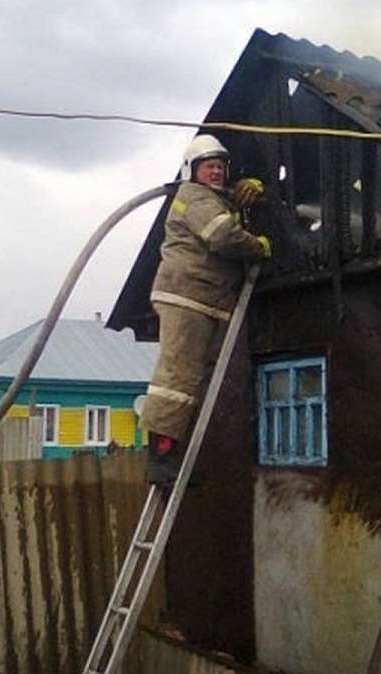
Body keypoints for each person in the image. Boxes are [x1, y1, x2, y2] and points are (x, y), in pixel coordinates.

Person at [140, 134, 271, 485]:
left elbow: (223, 211)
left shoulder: (210, 198)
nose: (215, 173)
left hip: (208, 300)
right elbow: (222, 236)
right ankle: (161, 458)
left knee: (197, 381)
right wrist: (257, 245)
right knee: (177, 379)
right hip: (188, 297)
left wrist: (244, 191)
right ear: (191, 170)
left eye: (220, 167)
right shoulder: (192, 197)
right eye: (209, 167)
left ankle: (177, 452)